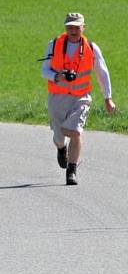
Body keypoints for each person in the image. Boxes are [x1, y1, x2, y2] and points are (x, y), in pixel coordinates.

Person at [41, 12, 116, 185]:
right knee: (60, 136)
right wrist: (57, 76)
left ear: (83, 27)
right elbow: (44, 70)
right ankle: (61, 148)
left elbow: (102, 73)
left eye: (77, 27)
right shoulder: (54, 45)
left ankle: (71, 171)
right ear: (65, 27)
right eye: (70, 27)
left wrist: (108, 97)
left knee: (74, 132)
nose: (73, 30)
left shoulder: (91, 47)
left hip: (81, 97)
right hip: (57, 97)